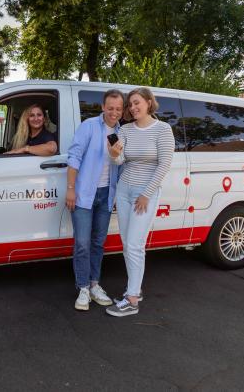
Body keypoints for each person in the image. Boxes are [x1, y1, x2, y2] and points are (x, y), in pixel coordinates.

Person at [106, 87, 174, 317]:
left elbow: (164, 164)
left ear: (148, 102)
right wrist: (114, 154)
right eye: (130, 105)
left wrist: (146, 194)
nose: (133, 108)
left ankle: (132, 300)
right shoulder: (125, 129)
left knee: (135, 244)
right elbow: (121, 161)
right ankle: (135, 289)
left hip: (145, 194)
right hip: (124, 190)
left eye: (137, 103)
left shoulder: (163, 130)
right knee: (128, 243)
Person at [66, 89, 124, 311]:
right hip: (84, 194)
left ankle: (94, 284)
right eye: (110, 108)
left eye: (118, 109)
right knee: (82, 244)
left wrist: (118, 194)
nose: (114, 112)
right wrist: (71, 188)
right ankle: (82, 288)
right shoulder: (89, 126)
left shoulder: (122, 131)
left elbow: (121, 164)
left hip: (106, 195)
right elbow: (74, 157)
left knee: (98, 243)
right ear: (103, 107)